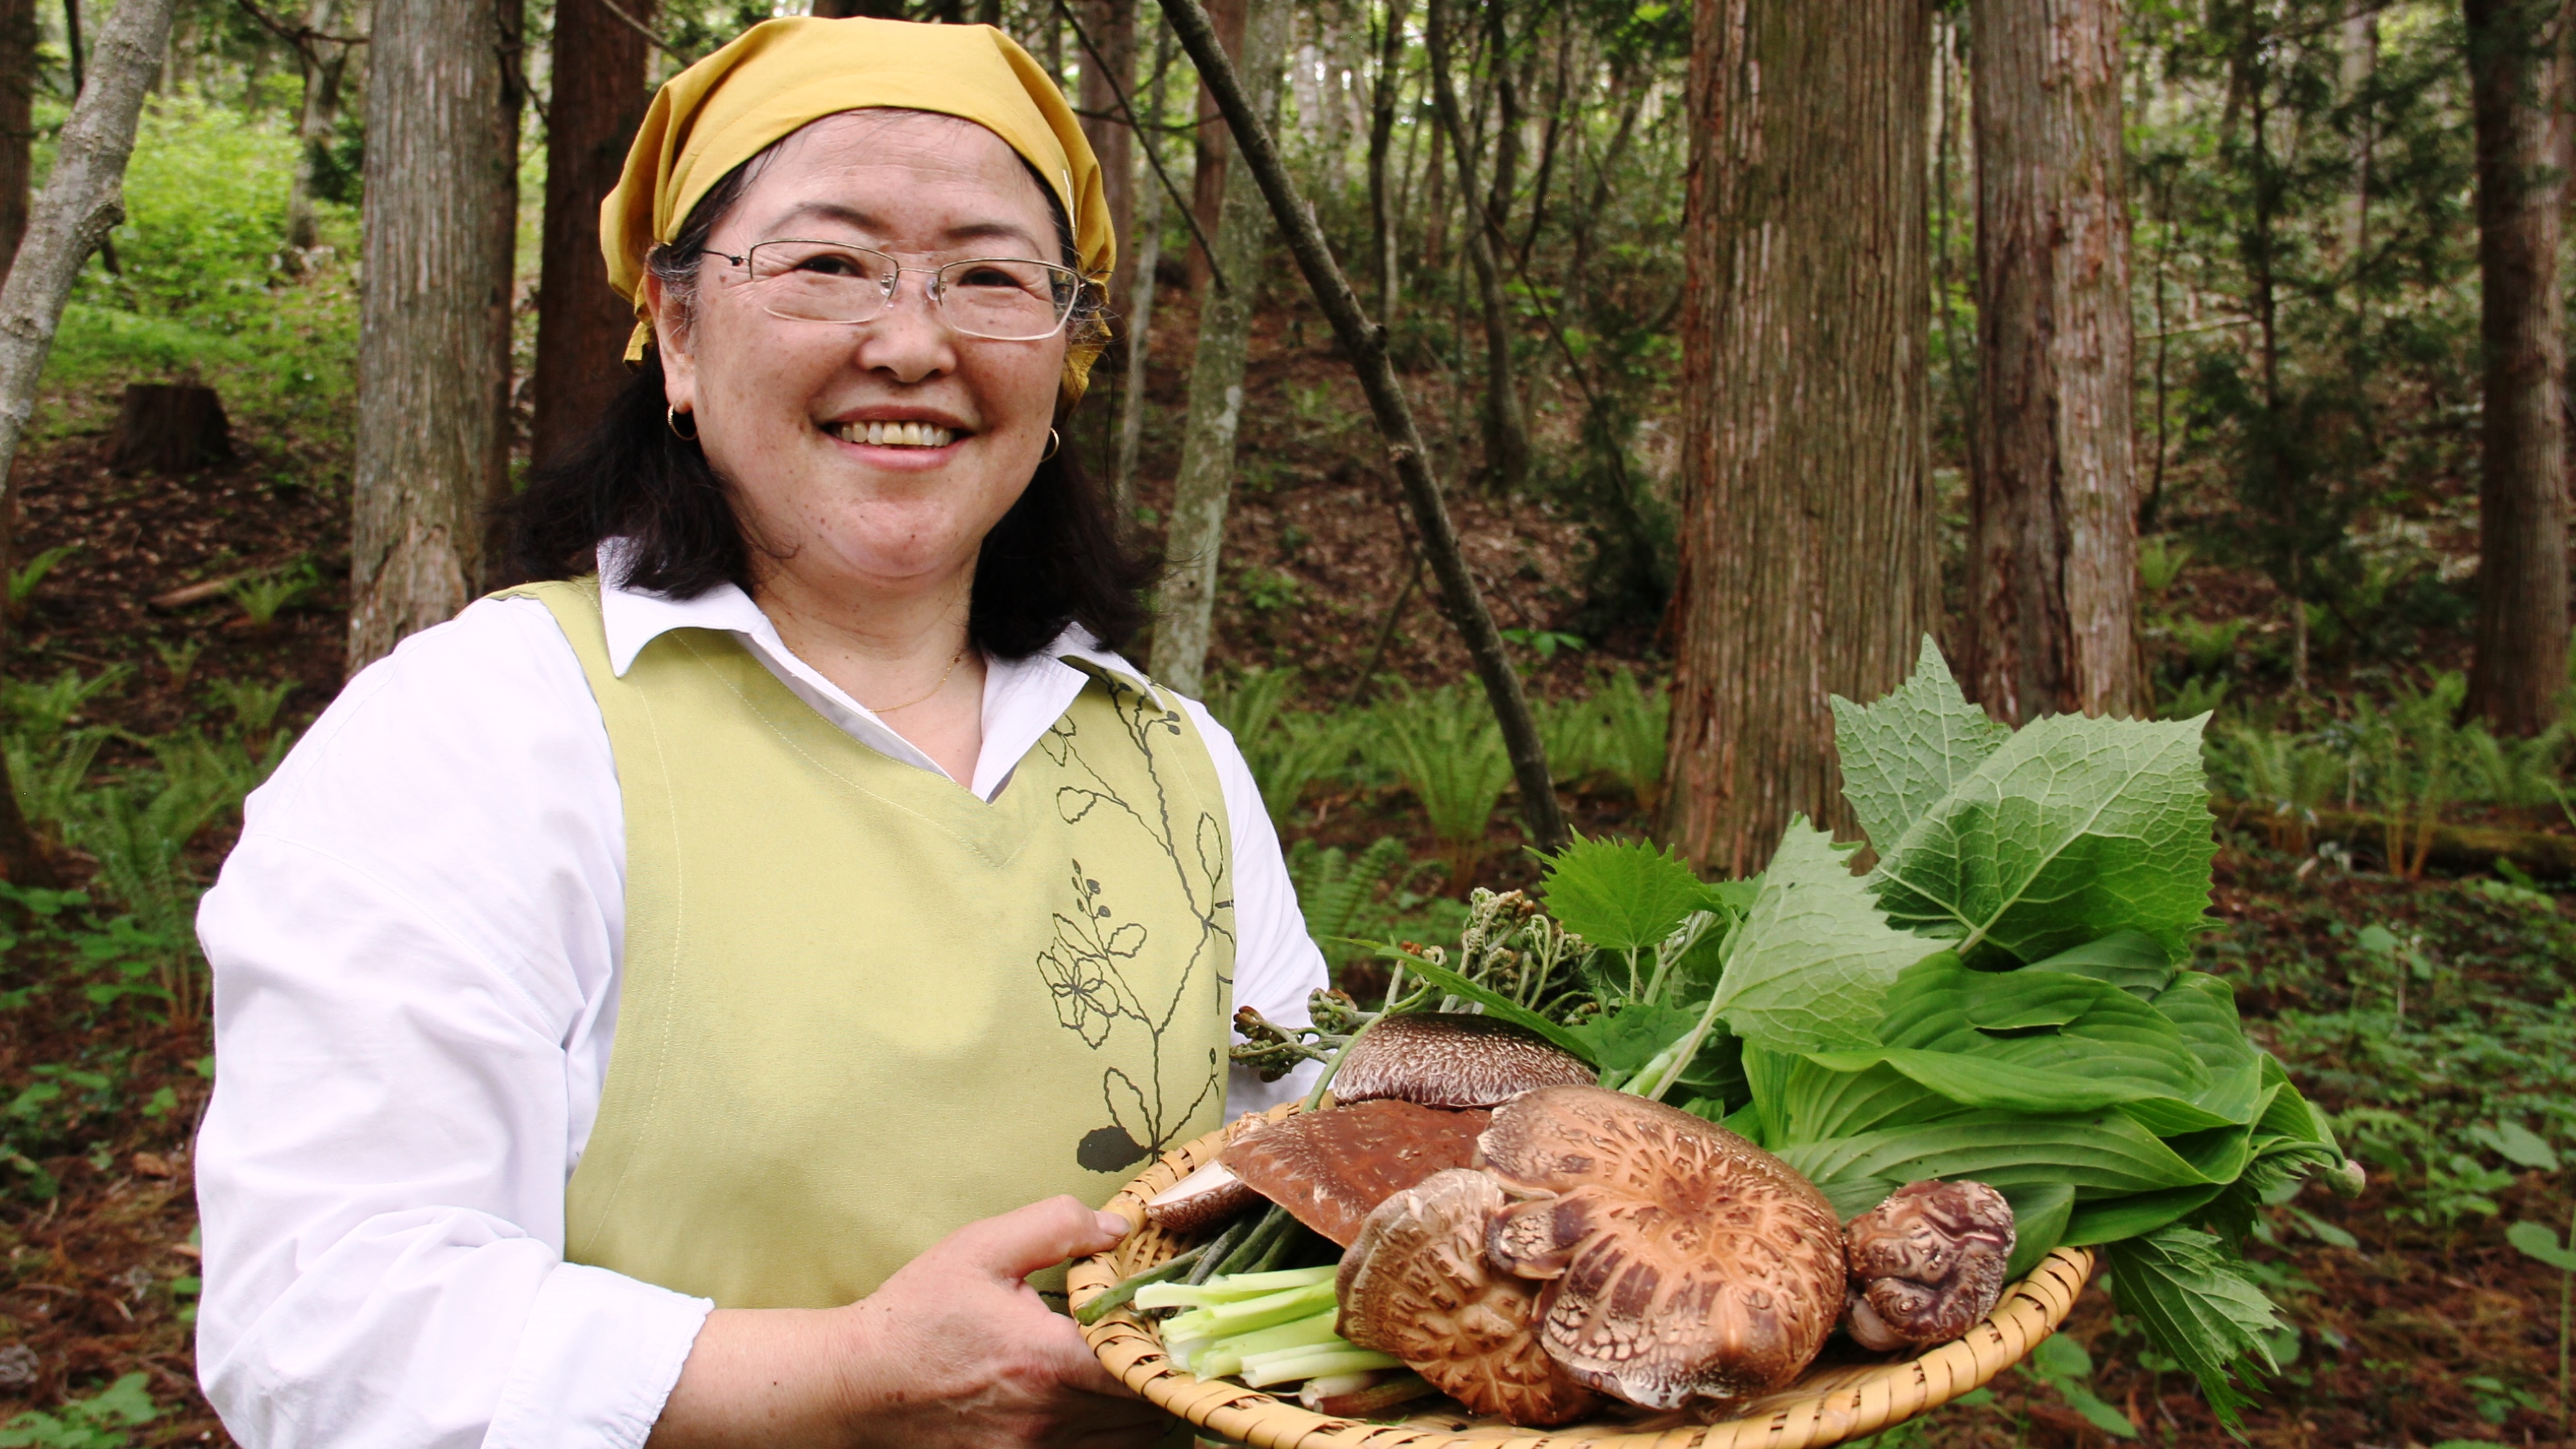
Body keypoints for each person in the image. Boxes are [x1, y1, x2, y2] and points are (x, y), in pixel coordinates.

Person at [191, 18, 1326, 1447]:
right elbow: (322, 1327)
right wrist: (846, 1376)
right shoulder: (490, 732)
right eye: (827, 264)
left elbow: (1311, 1190)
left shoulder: (1176, 765)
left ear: (1063, 358)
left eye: (988, 277)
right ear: (674, 327)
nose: (911, 342)